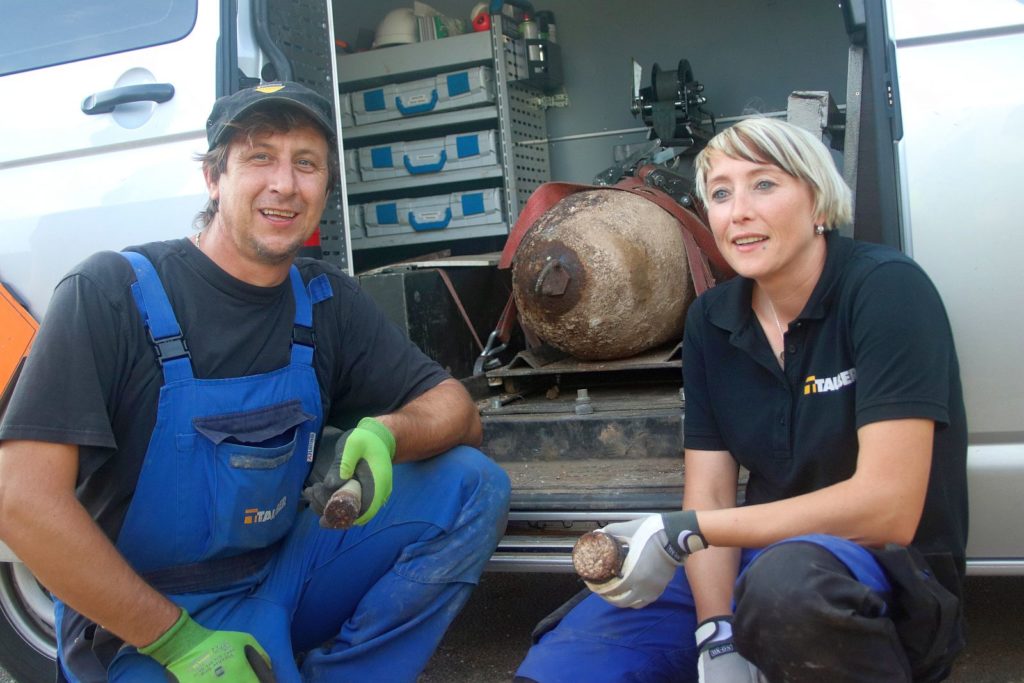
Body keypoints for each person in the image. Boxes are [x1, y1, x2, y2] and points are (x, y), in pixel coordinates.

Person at [0, 81, 510, 682]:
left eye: (307, 164)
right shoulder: (112, 294)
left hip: (276, 581)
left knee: (471, 485)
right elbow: (20, 501)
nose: (285, 184)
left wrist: (389, 434)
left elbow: (458, 411)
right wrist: (179, 643)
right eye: (259, 156)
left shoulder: (325, 301)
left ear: (325, 186)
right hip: (140, 621)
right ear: (214, 177)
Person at [515, 117, 967, 683]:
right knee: (568, 664)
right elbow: (709, 490)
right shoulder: (713, 319)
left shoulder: (886, 289)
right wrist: (716, 630)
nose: (739, 211)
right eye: (721, 193)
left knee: (787, 591)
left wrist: (685, 529)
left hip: (876, 566)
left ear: (818, 202)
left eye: (764, 184)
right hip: (759, 556)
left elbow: (888, 510)